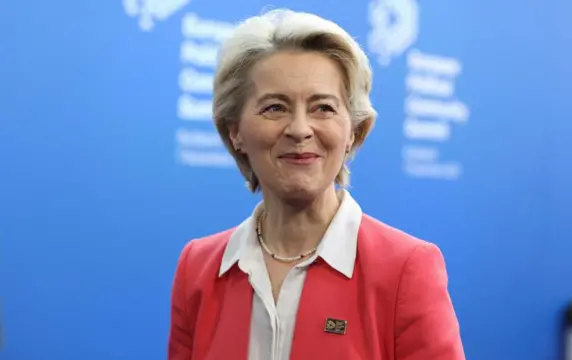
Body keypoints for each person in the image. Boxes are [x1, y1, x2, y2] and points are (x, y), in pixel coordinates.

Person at [168, 9, 465, 360]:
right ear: (235, 132)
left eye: (323, 108)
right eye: (274, 108)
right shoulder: (198, 269)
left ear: (354, 131)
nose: (299, 129)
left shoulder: (406, 269)